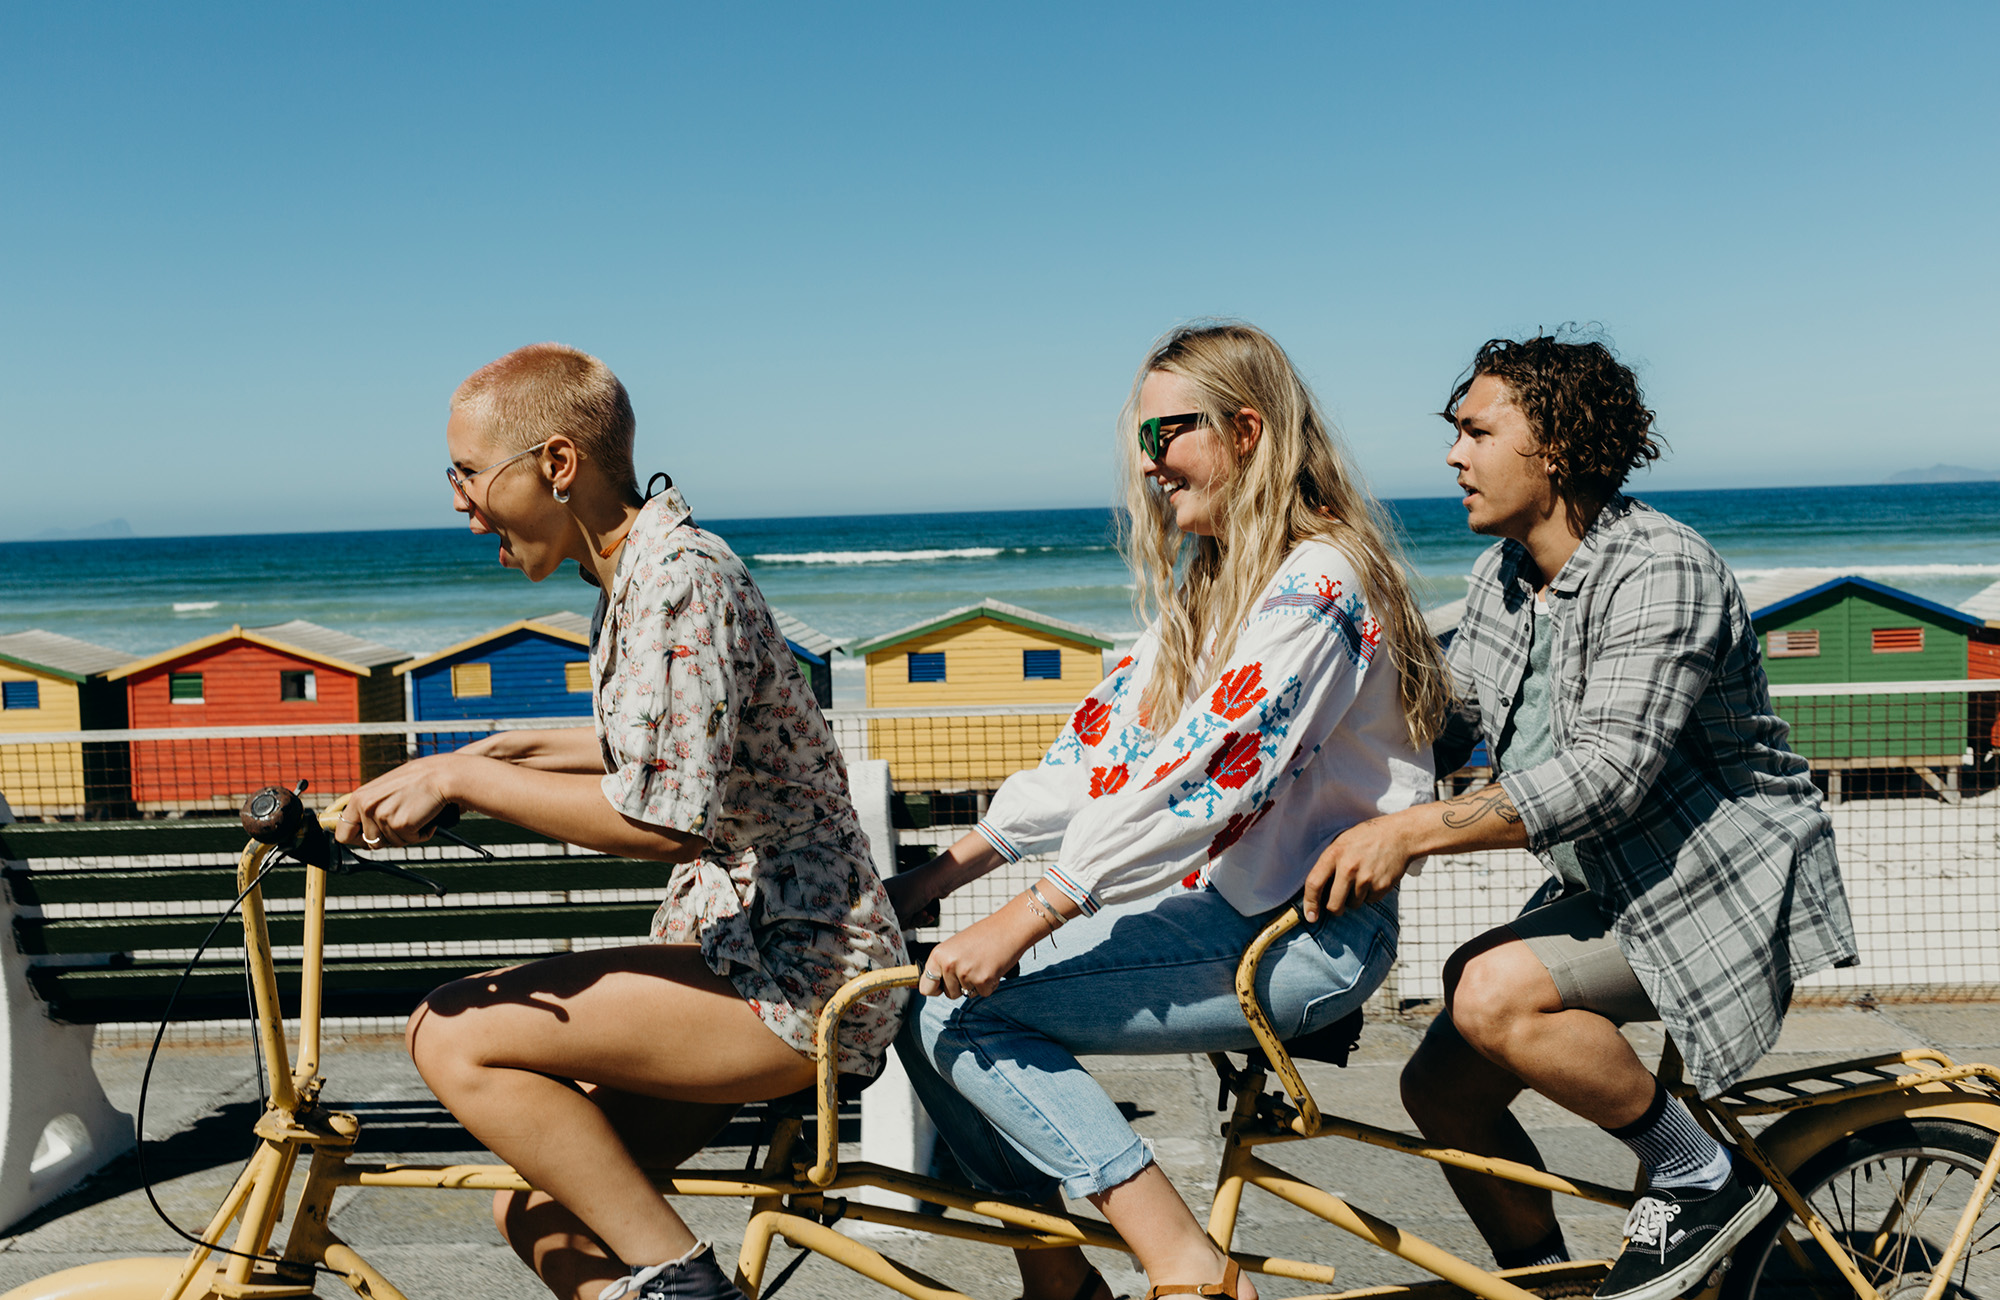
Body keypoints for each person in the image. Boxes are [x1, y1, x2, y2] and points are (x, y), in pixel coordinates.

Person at [333, 343, 909, 1300]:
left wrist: (463, 781)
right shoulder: (632, 580)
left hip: (801, 973)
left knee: (449, 1030)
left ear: (557, 465)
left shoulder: (679, 577)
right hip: (745, 950)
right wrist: (500, 751)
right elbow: (662, 747)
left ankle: (686, 1285)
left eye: (470, 473)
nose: (457, 502)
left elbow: (662, 821)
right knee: (538, 1210)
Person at [888, 322, 1449, 1300]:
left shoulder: (1319, 582)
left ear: (1244, 430)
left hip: (1306, 935)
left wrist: (1033, 908)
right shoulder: (1212, 592)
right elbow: (1095, 754)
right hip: (1225, 912)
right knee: (914, 996)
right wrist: (932, 880)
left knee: (966, 1020)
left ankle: (1183, 1262)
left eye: (1167, 435)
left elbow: (1200, 776)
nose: (1149, 464)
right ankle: (1056, 1276)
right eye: (1137, 442)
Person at [1301, 333, 1857, 1300]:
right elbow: (1449, 724)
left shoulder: (1660, 567)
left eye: (1476, 431)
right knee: (1437, 1088)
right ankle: (1547, 1284)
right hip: (1611, 879)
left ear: (1553, 444)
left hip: (1720, 879)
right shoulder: (1505, 579)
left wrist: (1409, 833)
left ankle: (1699, 1174)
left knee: (1490, 992)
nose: (1453, 455)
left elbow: (1609, 773)